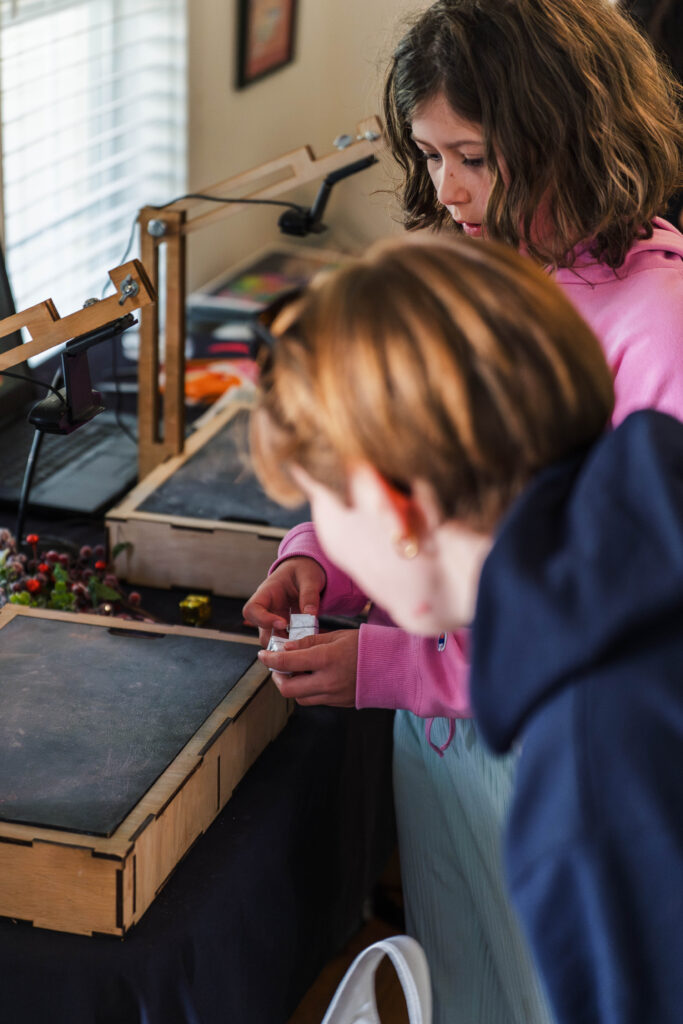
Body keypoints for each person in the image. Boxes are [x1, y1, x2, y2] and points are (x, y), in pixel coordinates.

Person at [243, 2, 683, 1020]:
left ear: (562, 135)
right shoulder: (485, 257)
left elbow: (605, 621)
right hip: (445, 740)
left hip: (525, 736)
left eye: (473, 158)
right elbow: (414, 466)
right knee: (467, 972)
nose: (446, 191)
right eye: (430, 156)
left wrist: (386, 663)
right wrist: (319, 558)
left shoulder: (653, 335)